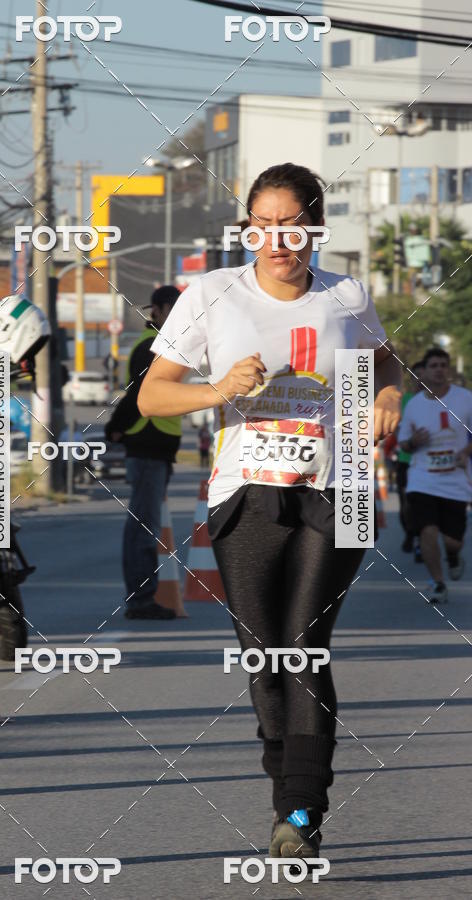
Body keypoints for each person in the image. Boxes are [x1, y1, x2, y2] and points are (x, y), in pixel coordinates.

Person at [138, 163, 401, 862]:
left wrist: (386, 397)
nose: (276, 238)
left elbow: (385, 362)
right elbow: (152, 397)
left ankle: (299, 810)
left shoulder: (345, 294)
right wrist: (218, 389)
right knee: (265, 657)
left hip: (336, 490)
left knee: (304, 645)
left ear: (315, 227)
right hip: (243, 491)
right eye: (263, 224)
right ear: (246, 227)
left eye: (292, 223)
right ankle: (288, 793)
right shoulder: (212, 294)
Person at [105, 285, 182, 620]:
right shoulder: (152, 347)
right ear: (159, 310)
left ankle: (141, 597)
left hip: (157, 447)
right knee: (143, 527)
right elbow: (138, 394)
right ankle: (140, 600)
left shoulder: (167, 346)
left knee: (144, 525)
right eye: (175, 309)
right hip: (146, 443)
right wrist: (115, 427)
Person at [397, 347, 472, 603]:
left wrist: (466, 451)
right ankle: (438, 582)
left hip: (455, 480)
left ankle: (452, 556)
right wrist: (413, 441)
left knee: (453, 541)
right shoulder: (414, 405)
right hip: (423, 478)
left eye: (443, 364)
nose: (439, 369)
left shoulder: (465, 398)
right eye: (434, 365)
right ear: (424, 372)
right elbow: (403, 443)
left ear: (448, 369)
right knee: (427, 530)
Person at [395, 360, 424, 554]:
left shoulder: (441, 402)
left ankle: (422, 541)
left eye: (424, 376)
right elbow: (396, 428)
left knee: (423, 502)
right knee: (406, 503)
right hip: (405, 460)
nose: (421, 380)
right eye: (417, 376)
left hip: (427, 463)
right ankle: (410, 532)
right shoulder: (403, 401)